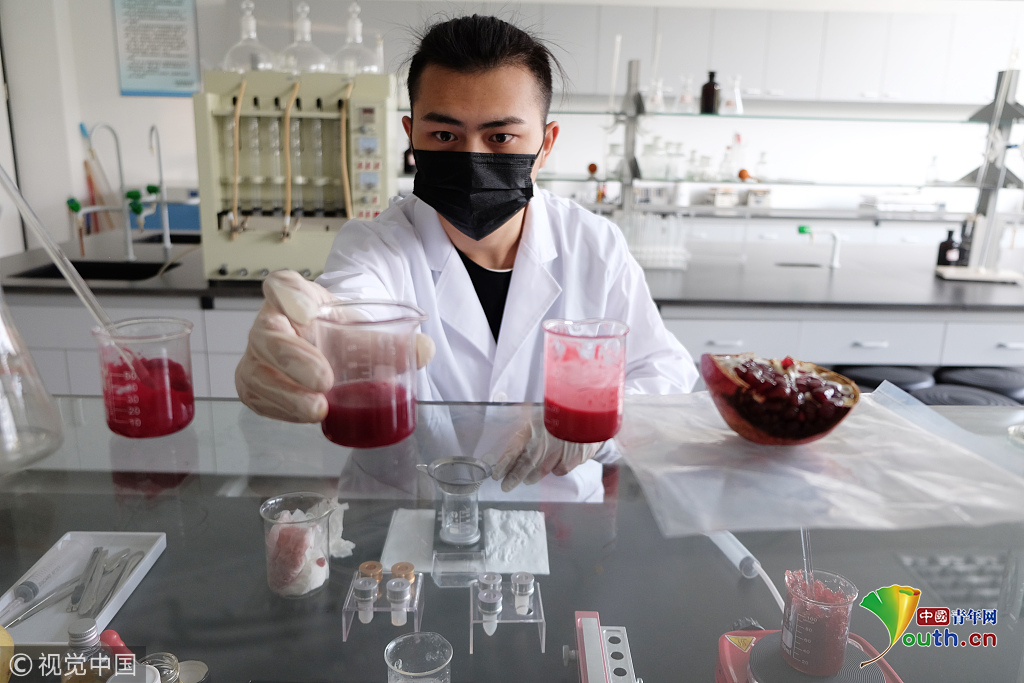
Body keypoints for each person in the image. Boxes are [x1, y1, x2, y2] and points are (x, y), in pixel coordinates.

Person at [236, 15, 697, 491]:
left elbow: (663, 373)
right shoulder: (376, 246)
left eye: (500, 137)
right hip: (407, 511)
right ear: (412, 136)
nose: (472, 159)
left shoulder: (593, 244)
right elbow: (348, 313)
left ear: (546, 145)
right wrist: (306, 336)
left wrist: (595, 423)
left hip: (556, 512)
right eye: (444, 135)